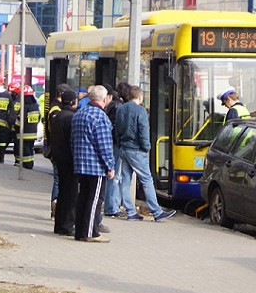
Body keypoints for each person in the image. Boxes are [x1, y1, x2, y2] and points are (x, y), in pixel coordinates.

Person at [115, 85, 177, 222]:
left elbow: (117, 129)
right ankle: (157, 212)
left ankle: (130, 212)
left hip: (124, 149)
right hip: (137, 150)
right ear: (140, 96)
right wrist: (146, 147)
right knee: (147, 180)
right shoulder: (140, 111)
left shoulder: (120, 109)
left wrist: (120, 145)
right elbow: (143, 130)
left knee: (125, 181)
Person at [71, 85, 115, 243]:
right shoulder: (100, 117)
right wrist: (110, 166)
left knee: (83, 197)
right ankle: (91, 232)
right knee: (95, 200)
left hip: (80, 163)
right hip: (95, 166)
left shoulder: (79, 113)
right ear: (104, 99)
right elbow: (104, 146)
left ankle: (80, 231)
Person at [49, 89, 78, 237]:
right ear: (74, 102)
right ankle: (67, 226)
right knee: (70, 194)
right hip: (69, 159)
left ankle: (59, 225)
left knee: (62, 192)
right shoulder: (71, 118)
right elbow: (73, 141)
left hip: (58, 158)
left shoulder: (58, 115)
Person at [46, 83, 73, 219]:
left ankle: (56, 208)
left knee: (59, 179)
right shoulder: (55, 110)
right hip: (58, 149)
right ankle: (55, 208)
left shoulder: (56, 108)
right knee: (58, 180)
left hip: (56, 148)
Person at [102, 84, 124, 218]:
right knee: (114, 176)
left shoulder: (111, 106)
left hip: (112, 144)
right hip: (115, 145)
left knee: (113, 176)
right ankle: (111, 207)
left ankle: (112, 205)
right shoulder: (117, 106)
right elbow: (116, 128)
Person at [8, 85, 41, 168]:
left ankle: (27, 164)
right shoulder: (35, 106)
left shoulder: (24, 106)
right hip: (33, 132)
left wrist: (15, 127)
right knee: (30, 149)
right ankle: (30, 163)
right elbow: (38, 117)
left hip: (23, 133)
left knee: (24, 149)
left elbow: (20, 119)